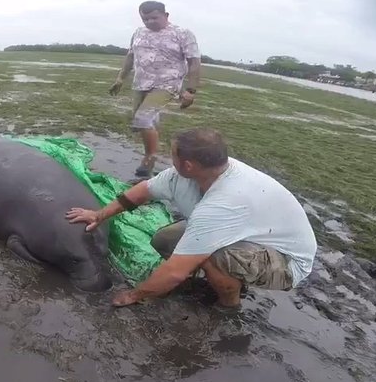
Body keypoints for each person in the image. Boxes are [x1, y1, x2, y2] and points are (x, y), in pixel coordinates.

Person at [66, 128, 317, 308]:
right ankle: (222, 278)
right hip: (248, 233)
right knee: (164, 240)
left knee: (214, 257)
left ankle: (229, 304)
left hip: (285, 260)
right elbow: (142, 192)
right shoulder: (186, 174)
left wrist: (135, 294)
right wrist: (99, 214)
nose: (168, 156)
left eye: (172, 153)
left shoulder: (223, 203)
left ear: (188, 165)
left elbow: (175, 272)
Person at [109, 0, 201, 179]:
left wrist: (191, 90)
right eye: (145, 19)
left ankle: (149, 159)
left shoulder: (182, 34)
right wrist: (120, 78)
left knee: (143, 119)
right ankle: (153, 142)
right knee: (142, 122)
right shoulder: (138, 33)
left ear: (166, 15)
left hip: (167, 84)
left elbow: (194, 63)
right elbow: (130, 57)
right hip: (141, 83)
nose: (150, 22)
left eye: (154, 18)